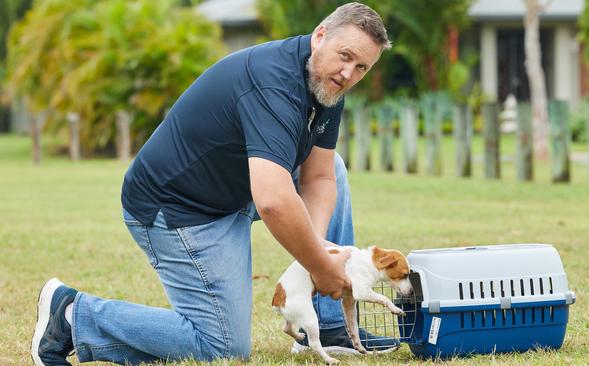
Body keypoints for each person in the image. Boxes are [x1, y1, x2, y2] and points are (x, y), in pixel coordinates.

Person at [32, 2, 396, 365]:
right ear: (320, 36)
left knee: (334, 166)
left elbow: (318, 176)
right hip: (177, 207)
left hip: (231, 192)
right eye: (345, 56)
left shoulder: (326, 84)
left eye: (362, 66)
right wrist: (319, 264)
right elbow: (271, 200)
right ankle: (72, 315)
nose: (348, 73)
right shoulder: (274, 82)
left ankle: (327, 324)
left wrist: (314, 256)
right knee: (223, 346)